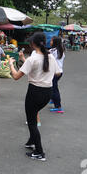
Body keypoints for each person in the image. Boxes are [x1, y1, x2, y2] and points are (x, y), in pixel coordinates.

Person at [8, 32, 62, 161]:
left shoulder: (33, 59)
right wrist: (44, 76)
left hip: (34, 92)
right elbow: (58, 73)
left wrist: (11, 64)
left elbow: (16, 76)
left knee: (32, 122)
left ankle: (39, 152)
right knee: (34, 115)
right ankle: (31, 141)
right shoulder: (50, 57)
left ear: (33, 44)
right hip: (47, 92)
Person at [49, 36, 65, 113]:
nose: (50, 41)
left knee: (54, 89)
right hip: (59, 71)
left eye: (51, 40)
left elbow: (48, 56)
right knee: (53, 86)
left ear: (54, 42)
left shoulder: (53, 51)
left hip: (55, 72)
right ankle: (52, 99)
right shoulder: (60, 50)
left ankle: (58, 107)